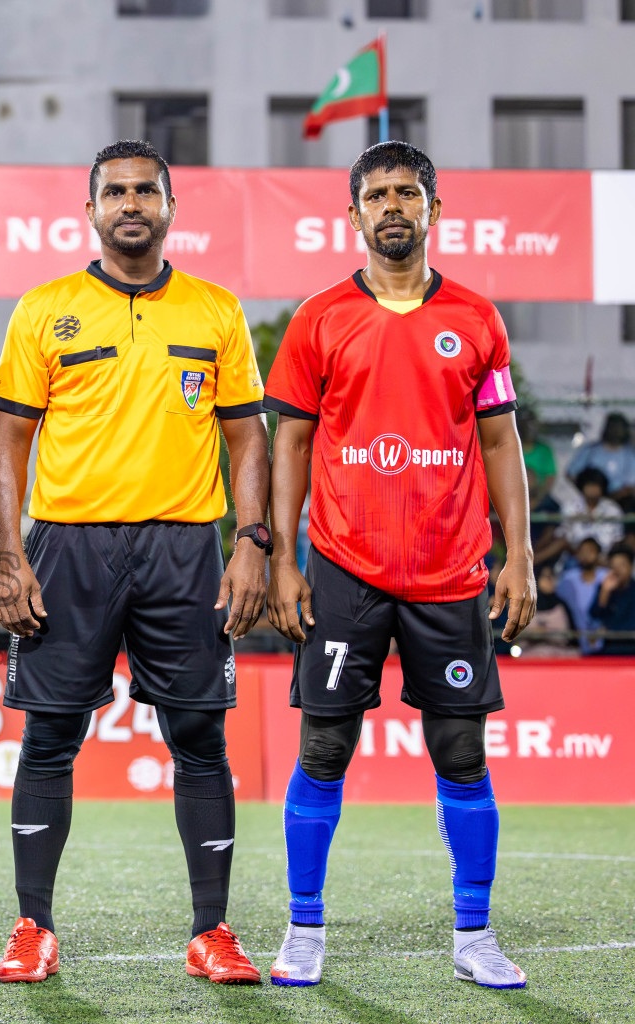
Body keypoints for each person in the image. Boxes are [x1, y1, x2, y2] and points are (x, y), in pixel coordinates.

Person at [0, 139, 269, 985]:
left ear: (171, 208)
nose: (132, 203)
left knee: (198, 736)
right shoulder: (45, 308)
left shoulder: (216, 311)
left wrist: (251, 542)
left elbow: (246, 434)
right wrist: (9, 552)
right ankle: (33, 926)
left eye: (147, 190)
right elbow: (9, 439)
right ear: (91, 210)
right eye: (115, 192)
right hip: (68, 545)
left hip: (183, 547)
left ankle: (210, 931)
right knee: (50, 737)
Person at [263, 141, 534, 989]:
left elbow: (500, 441)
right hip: (344, 569)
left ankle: (474, 932)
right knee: (324, 747)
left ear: (433, 210)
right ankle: (304, 929)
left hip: (452, 573)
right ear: (352, 215)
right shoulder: (318, 319)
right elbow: (291, 444)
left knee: (460, 752)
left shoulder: (480, 320)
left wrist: (518, 556)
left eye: (407, 193)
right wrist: (280, 557)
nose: (392, 206)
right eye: (376, 194)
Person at [534, 467, 623, 564]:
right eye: (589, 485)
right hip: (574, 555)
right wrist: (578, 553)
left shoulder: (612, 509)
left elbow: (617, 539)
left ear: (602, 487)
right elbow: (563, 534)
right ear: (582, 486)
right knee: (556, 538)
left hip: (603, 558)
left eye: (596, 486)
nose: (592, 489)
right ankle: (531, 562)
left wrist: (595, 555)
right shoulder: (571, 506)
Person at [555, 537, 608, 655]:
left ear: (598, 554)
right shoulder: (568, 578)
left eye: (590, 551)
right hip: (576, 638)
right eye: (582, 551)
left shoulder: (606, 576)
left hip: (605, 637)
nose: (586, 555)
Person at [564, 412, 635, 499]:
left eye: (619, 428)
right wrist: (588, 493)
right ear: (606, 428)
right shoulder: (590, 450)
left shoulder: (629, 454)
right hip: (589, 499)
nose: (615, 431)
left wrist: (611, 498)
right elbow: (571, 474)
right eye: (612, 427)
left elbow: (631, 485)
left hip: (620, 501)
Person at [589, 543, 635, 655]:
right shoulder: (605, 587)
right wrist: (605, 592)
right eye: (614, 566)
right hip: (611, 647)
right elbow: (595, 614)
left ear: (630, 567)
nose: (618, 570)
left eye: (622, 565)